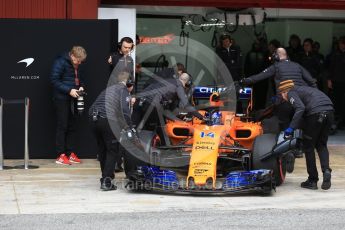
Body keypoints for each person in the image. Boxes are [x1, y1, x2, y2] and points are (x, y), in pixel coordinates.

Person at [278, 80, 334, 190]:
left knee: (308, 147)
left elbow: (300, 108)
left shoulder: (291, 93)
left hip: (315, 114)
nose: (283, 98)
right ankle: (326, 170)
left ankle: (312, 180)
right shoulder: (305, 89)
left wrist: (291, 127)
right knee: (322, 145)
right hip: (329, 111)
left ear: (284, 92)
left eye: (281, 95)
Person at [89, 72, 134, 191]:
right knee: (113, 150)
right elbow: (124, 111)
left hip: (93, 119)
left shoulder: (109, 89)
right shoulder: (123, 90)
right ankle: (107, 180)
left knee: (103, 150)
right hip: (107, 120)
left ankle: (105, 178)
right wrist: (130, 127)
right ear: (129, 83)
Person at [50, 46, 87, 165]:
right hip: (61, 99)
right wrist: (69, 90)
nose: (79, 63)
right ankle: (60, 155)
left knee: (72, 126)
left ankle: (70, 153)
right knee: (62, 126)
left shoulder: (77, 63)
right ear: (71, 55)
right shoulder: (60, 62)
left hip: (74, 98)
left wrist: (81, 86)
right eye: (77, 60)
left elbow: (77, 79)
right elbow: (54, 80)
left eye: (81, 61)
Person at [327, 36, 345, 130]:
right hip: (336, 81)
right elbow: (330, 68)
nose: (343, 45)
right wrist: (329, 79)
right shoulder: (334, 54)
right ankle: (336, 122)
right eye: (341, 43)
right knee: (336, 101)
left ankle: (342, 122)